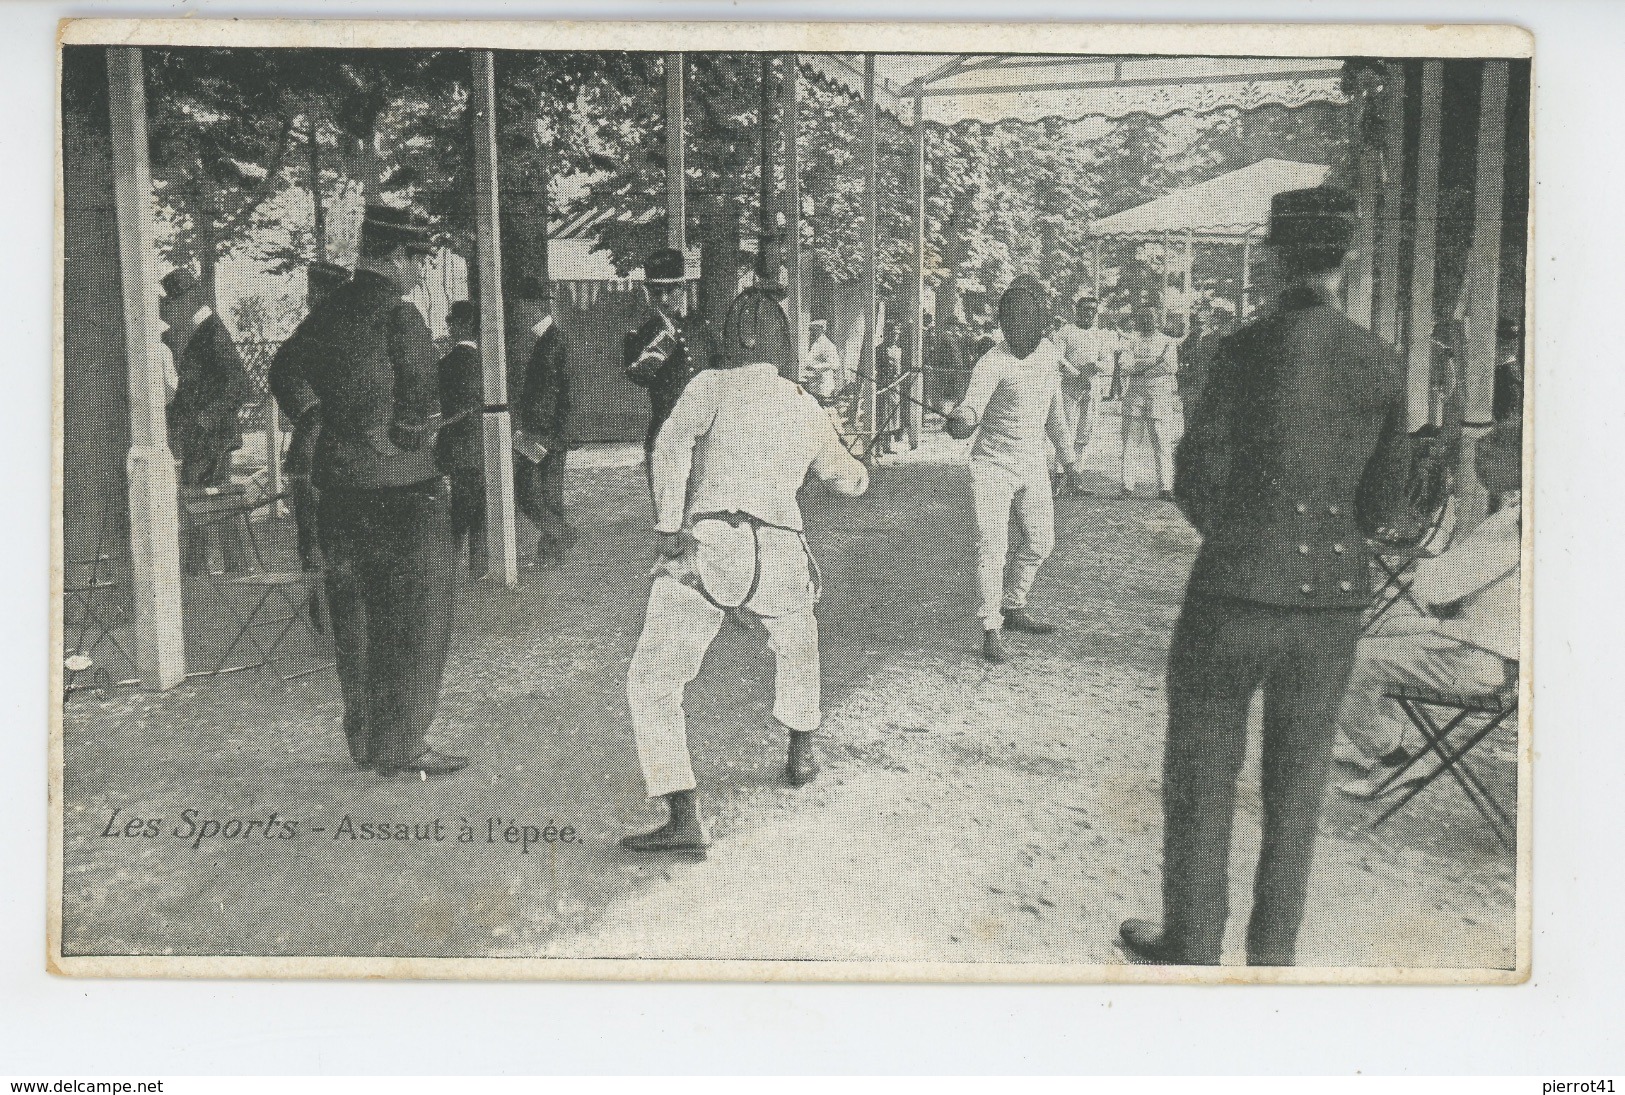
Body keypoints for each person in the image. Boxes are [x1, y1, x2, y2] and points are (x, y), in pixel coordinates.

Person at [1119, 186, 1412, 966]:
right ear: (1344, 261)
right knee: (1298, 785)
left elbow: (1193, 474)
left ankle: (1190, 936)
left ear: (1274, 258)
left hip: (1231, 593)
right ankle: (1272, 952)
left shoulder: (1241, 350)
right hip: (1329, 606)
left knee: (1200, 770)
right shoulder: (1380, 361)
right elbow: (1385, 505)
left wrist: (1243, 538)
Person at [621, 287, 870, 853]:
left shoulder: (708, 386)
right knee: (798, 643)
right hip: (781, 547)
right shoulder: (804, 403)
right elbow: (843, 477)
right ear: (785, 344)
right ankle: (801, 753)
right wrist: (861, 469)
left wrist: (667, 522)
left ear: (730, 338)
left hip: (712, 542)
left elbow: (669, 448)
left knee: (654, 677)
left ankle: (683, 815)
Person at [268, 204, 463, 779]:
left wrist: (318, 419)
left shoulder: (326, 311)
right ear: (398, 258)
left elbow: (284, 371)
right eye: (421, 261)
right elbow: (423, 402)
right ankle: (404, 745)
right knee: (416, 619)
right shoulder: (401, 316)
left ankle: (365, 740)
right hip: (406, 491)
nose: (424, 274)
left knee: (355, 619)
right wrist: (406, 437)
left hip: (340, 493)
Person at [1335, 419, 1521, 797]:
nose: (1478, 468)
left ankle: (1394, 757)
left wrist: (1436, 562)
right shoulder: (1521, 512)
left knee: (1342, 659)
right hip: (1488, 647)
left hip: (1482, 659)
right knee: (1386, 626)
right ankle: (1376, 736)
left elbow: (1435, 589)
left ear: (1515, 460)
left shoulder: (1515, 524)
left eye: (1487, 457)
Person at [946, 278, 1085, 665]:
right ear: (1005, 324)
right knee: (992, 548)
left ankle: (1013, 605)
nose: (1020, 328)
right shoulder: (992, 362)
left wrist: (1069, 461)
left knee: (1042, 542)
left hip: (1033, 463)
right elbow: (971, 407)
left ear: (1040, 323)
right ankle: (991, 626)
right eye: (1013, 321)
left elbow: (1055, 415)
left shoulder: (1049, 356)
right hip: (991, 465)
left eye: (1028, 321)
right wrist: (962, 419)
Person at [159, 267, 254, 575]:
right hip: (197, 434)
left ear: (192, 299)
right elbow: (188, 390)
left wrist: (206, 417)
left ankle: (217, 567)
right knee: (203, 499)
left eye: (178, 301)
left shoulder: (211, 331)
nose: (172, 308)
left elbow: (240, 383)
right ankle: (207, 566)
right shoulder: (185, 334)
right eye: (171, 302)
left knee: (210, 498)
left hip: (213, 433)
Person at [275, 260, 350, 577]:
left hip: (333, 450)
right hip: (319, 450)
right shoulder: (307, 339)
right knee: (320, 543)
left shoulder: (346, 336)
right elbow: (282, 376)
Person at [624, 247, 718, 484]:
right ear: (647, 292)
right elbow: (638, 375)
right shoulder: (641, 335)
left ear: (683, 288)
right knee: (668, 517)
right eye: (656, 292)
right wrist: (666, 337)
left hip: (706, 440)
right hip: (666, 437)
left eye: (670, 290)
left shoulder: (703, 329)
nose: (664, 299)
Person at [511, 280, 577, 566]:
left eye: (522, 307)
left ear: (534, 307)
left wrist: (539, 434)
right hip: (548, 432)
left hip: (542, 433)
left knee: (525, 491)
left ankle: (560, 535)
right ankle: (550, 553)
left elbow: (555, 393)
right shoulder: (548, 339)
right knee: (549, 495)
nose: (518, 313)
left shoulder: (551, 342)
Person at [436, 300, 487, 575]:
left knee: (459, 512)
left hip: (460, 446)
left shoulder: (450, 363)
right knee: (479, 512)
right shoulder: (488, 361)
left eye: (452, 322)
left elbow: (455, 407)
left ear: (461, 326)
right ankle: (479, 568)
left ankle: (450, 570)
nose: (450, 327)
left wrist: (437, 428)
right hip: (482, 445)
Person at [1050, 293, 1119, 482]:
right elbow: (1057, 358)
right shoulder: (1065, 332)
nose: (1089, 314)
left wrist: (1095, 367)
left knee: (1084, 433)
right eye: (1085, 309)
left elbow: (1108, 362)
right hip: (1069, 386)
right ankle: (1059, 475)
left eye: (1092, 310)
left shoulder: (1100, 334)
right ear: (1076, 310)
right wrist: (1077, 373)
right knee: (1065, 431)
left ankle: (1076, 478)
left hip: (1092, 386)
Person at [1118, 304, 1184, 500]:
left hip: (1159, 397)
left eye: (1151, 317)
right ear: (1138, 320)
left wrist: (1139, 367)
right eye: (1143, 317)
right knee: (1130, 442)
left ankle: (1165, 487)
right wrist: (1154, 361)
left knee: (1162, 443)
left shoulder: (1168, 342)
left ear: (1159, 320)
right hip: (1135, 397)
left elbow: (1170, 367)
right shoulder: (1131, 341)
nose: (1148, 321)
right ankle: (1127, 486)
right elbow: (1124, 366)